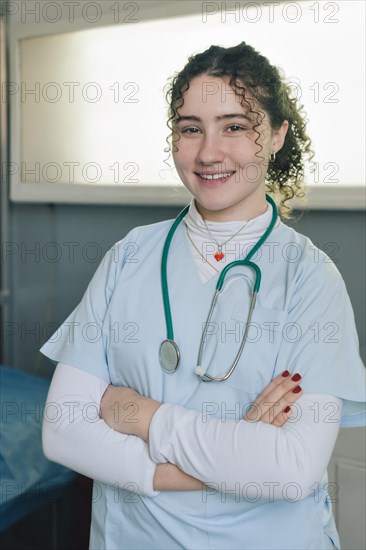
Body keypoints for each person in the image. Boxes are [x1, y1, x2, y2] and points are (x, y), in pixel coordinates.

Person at [40, 42, 365, 549]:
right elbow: (62, 429)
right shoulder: (129, 256)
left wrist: (142, 416)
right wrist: (218, 457)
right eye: (191, 128)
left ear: (277, 136)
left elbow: (290, 470)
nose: (208, 152)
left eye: (235, 126)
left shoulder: (310, 279)